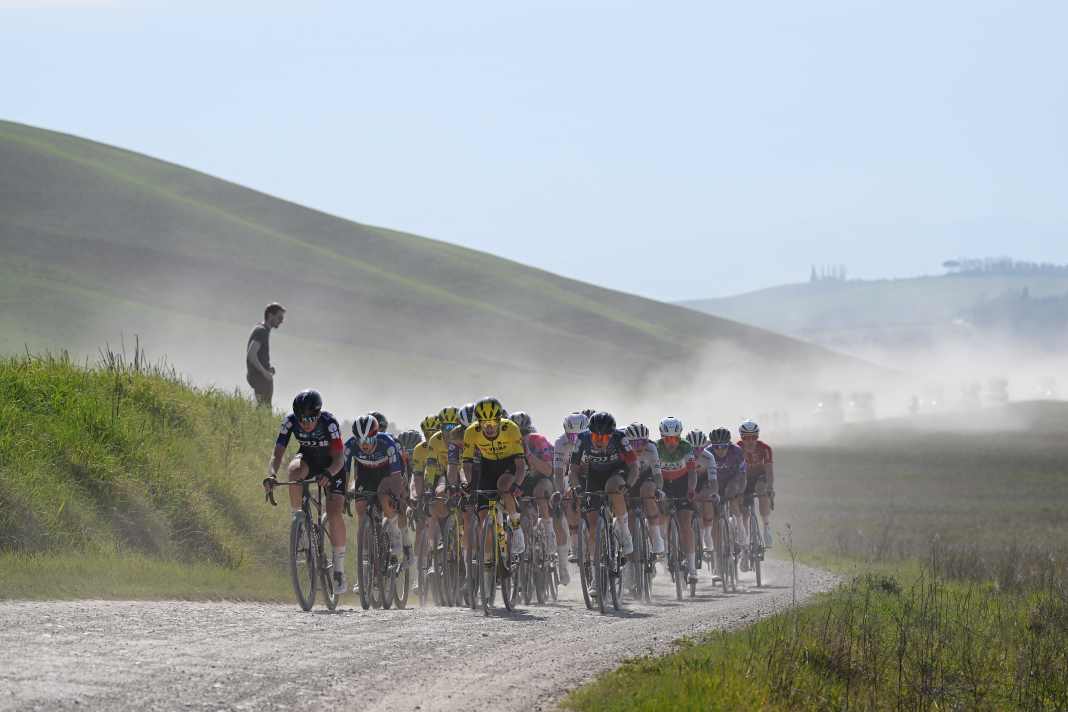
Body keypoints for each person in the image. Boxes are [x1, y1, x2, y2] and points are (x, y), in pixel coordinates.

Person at [264, 389, 347, 593]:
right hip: (308, 459)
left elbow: (339, 458)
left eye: (310, 418)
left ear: (318, 414)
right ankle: (299, 522)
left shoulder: (329, 423)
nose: (305, 423)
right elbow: (277, 455)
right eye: (302, 418)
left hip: (332, 464)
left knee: (334, 511)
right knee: (293, 472)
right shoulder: (289, 422)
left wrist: (328, 474)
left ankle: (338, 570)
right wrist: (272, 474)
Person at [461, 398, 528, 560]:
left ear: (499, 420)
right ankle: (489, 564)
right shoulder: (471, 432)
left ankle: (516, 527)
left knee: (504, 486)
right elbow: (467, 463)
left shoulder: (511, 428)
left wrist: (517, 485)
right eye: (484, 423)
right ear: (478, 422)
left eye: (492, 422)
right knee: (483, 516)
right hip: (488, 465)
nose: (489, 427)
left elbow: (521, 465)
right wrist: (469, 483)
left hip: (509, 463)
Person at [570, 411, 638, 571]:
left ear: (611, 435)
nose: (599, 441)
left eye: (604, 438)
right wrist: (577, 487)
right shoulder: (582, 439)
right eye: (596, 437)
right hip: (594, 476)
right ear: (590, 434)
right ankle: (595, 576)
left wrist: (628, 485)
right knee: (593, 527)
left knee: (613, 488)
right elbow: (573, 470)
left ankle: (624, 531)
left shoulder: (620, 438)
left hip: (616, 472)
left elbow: (634, 466)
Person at [346, 414, 408, 566]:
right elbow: (345, 473)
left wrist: (397, 496)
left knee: (383, 495)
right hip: (366, 474)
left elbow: (395, 475)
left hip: (387, 473)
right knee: (360, 508)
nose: (364, 444)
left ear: (376, 436)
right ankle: (365, 561)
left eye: (368, 440)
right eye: (360, 440)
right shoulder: (350, 445)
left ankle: (394, 532)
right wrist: (344, 494)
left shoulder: (387, 443)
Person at [511, 411, 559, 582]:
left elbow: (548, 470)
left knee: (540, 492)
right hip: (522, 483)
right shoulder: (508, 444)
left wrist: (529, 454)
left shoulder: (538, 441)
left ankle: (548, 529)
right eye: (516, 433)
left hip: (542, 480)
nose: (520, 437)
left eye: (523, 433)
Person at [655, 416, 698, 584]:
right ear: (662, 437)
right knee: (661, 519)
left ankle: (692, 567)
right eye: (667, 438)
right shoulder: (656, 447)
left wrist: (691, 489)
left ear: (679, 437)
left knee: (685, 523)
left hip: (682, 483)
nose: (671, 442)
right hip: (663, 483)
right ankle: (665, 552)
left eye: (675, 438)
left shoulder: (686, 447)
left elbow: (693, 472)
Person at [552, 411, 590, 583]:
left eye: (578, 435)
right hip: (572, 475)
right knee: (568, 497)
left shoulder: (591, 440)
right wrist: (560, 493)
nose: (574, 439)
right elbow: (558, 472)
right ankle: (575, 545)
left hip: (590, 474)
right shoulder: (560, 443)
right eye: (571, 435)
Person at [708, 427, 747, 569]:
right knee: (715, 517)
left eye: (724, 446)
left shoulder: (736, 451)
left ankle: (741, 530)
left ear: (729, 444)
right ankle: (718, 558)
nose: (720, 450)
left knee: (733, 497)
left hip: (733, 480)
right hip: (715, 483)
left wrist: (739, 491)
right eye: (716, 447)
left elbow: (742, 474)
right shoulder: (708, 452)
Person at [625, 422, 665, 555]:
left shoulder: (651, 448)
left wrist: (658, 489)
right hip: (629, 477)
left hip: (646, 477)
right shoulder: (622, 449)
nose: (639, 446)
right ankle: (631, 554)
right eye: (635, 444)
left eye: (643, 442)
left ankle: (656, 537)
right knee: (629, 514)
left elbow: (658, 474)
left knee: (648, 492)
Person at [738, 419, 775, 549]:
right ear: (742, 437)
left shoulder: (765, 449)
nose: (750, 441)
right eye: (746, 438)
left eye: (753, 437)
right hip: (744, 479)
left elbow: (769, 471)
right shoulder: (737, 449)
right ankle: (744, 541)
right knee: (743, 511)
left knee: (762, 490)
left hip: (760, 477)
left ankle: (766, 527)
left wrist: (770, 487)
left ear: (757, 437)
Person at [686, 430, 719, 558]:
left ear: (704, 446)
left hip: (704, 483)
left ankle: (707, 534)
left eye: (700, 448)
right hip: (687, 482)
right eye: (693, 448)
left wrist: (705, 495)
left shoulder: (709, 457)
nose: (696, 452)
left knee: (707, 498)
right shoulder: (683, 457)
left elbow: (714, 484)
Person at [246, 303, 285, 407]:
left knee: (261, 409)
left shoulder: (261, 329)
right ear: (270, 316)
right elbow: (251, 354)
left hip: (260, 378)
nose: (282, 321)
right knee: (264, 411)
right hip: (261, 380)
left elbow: (256, 356)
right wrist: (265, 373)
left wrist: (268, 369)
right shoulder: (262, 331)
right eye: (279, 317)